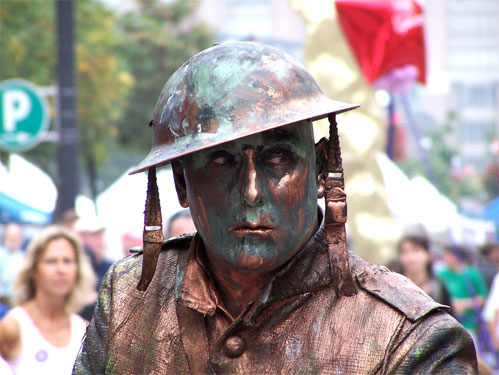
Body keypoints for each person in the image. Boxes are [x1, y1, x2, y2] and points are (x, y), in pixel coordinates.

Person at [74, 42, 477, 374]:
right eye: (221, 161)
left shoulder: (406, 338)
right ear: (182, 183)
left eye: (279, 159)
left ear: (321, 170)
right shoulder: (129, 297)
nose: (251, 192)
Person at [0, 226, 96, 374]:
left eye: (68, 261)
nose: (61, 270)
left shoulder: (85, 330)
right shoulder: (13, 326)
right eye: (51, 261)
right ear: (34, 269)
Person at [438, 245, 488, 342]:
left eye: (448, 255)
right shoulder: (441, 274)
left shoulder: (471, 274)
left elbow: (482, 298)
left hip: (467, 324)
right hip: (446, 325)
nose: (445, 259)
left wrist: (464, 304)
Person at [397, 234, 450, 306]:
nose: (411, 257)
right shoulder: (394, 286)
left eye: (416, 250)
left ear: (428, 254)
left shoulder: (438, 288)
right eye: (405, 252)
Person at [0, 223, 25, 307]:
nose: (13, 239)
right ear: (4, 238)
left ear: (21, 239)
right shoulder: (1, 255)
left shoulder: (24, 258)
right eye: (10, 236)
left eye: (15, 236)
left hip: (18, 302)